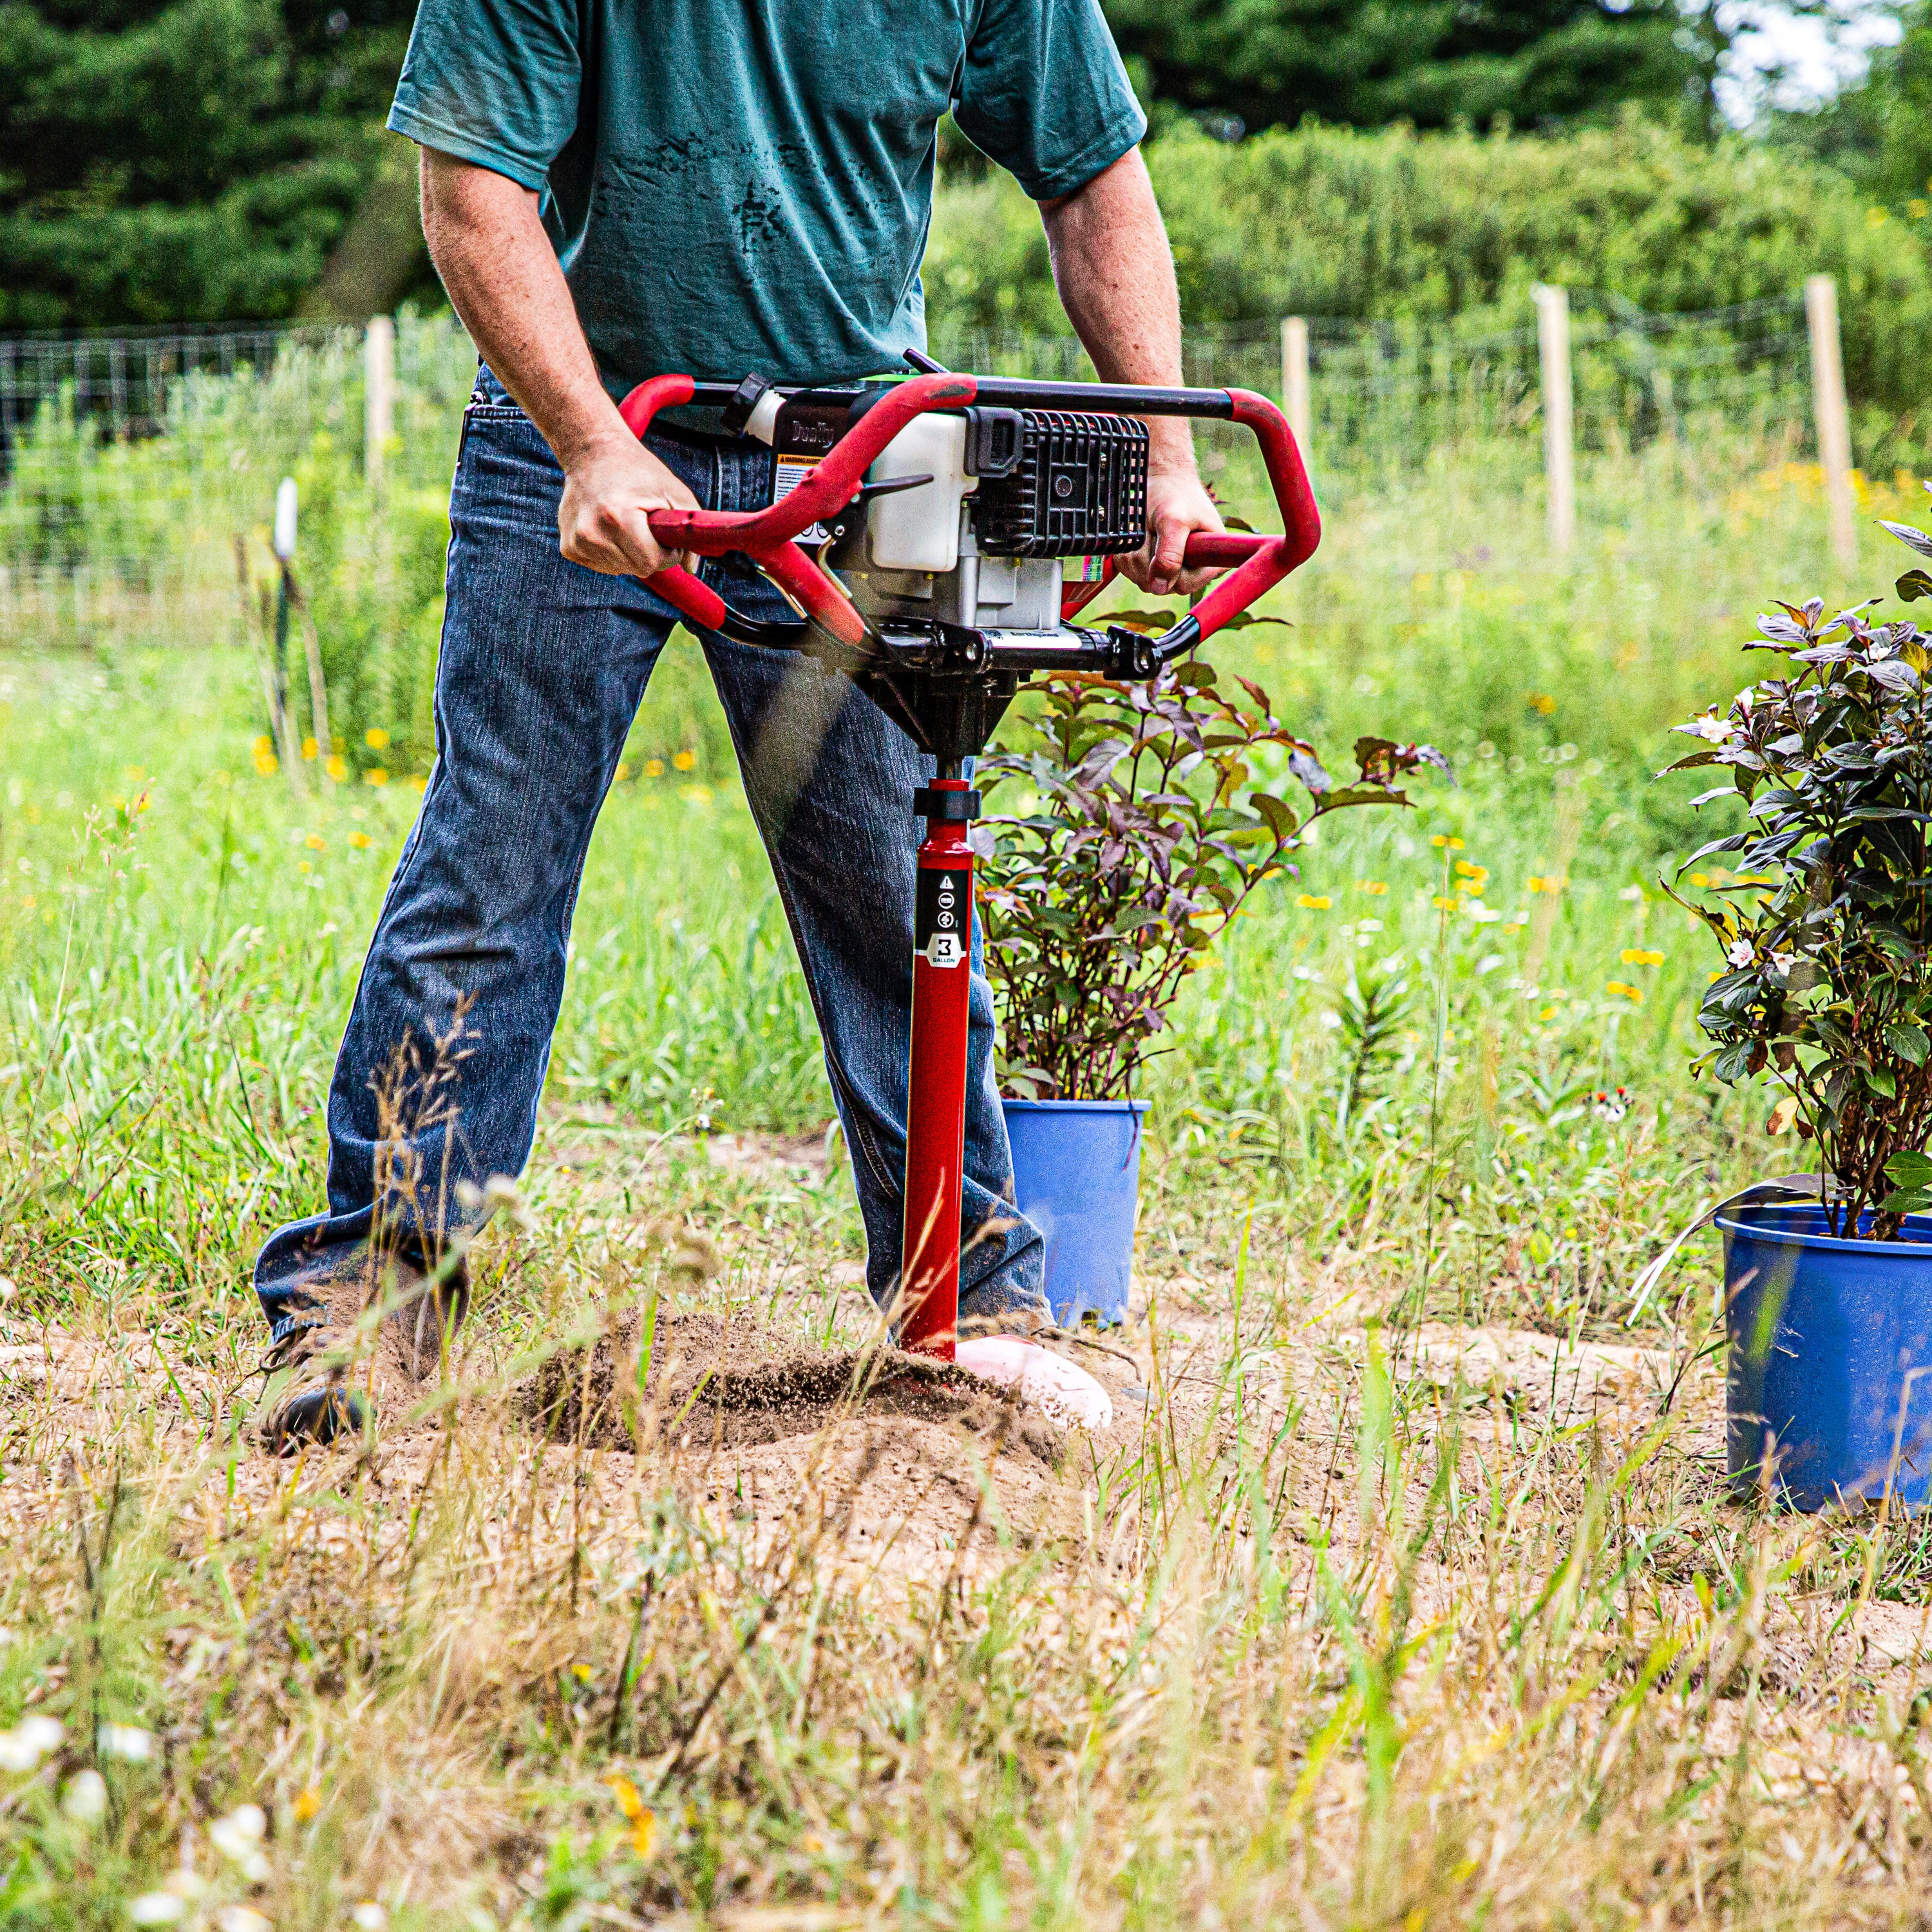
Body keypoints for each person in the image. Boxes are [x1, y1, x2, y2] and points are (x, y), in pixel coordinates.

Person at [252, 0, 1227, 1447]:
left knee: (904, 878)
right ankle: (376, 1300)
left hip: (855, 450)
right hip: (582, 421)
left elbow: (1094, 176)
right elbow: (472, 193)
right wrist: (593, 445)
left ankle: (978, 1299)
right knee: (494, 862)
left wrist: (1162, 450)